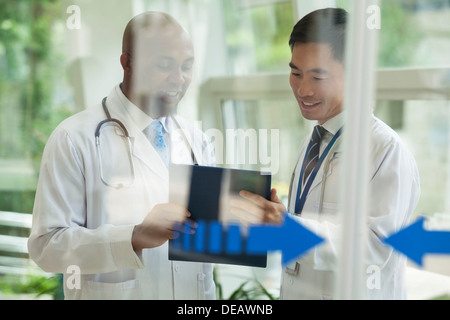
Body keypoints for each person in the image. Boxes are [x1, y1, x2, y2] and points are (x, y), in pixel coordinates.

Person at [28, 12, 216, 300]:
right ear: (128, 63)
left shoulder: (197, 140)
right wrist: (132, 237)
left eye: (186, 66)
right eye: (164, 65)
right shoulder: (74, 138)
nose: (178, 79)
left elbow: (204, 262)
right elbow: (46, 248)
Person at [237, 8, 420, 299]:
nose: (302, 89)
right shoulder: (313, 140)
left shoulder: (385, 149)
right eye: (295, 73)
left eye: (317, 77)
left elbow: (374, 247)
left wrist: (289, 228)